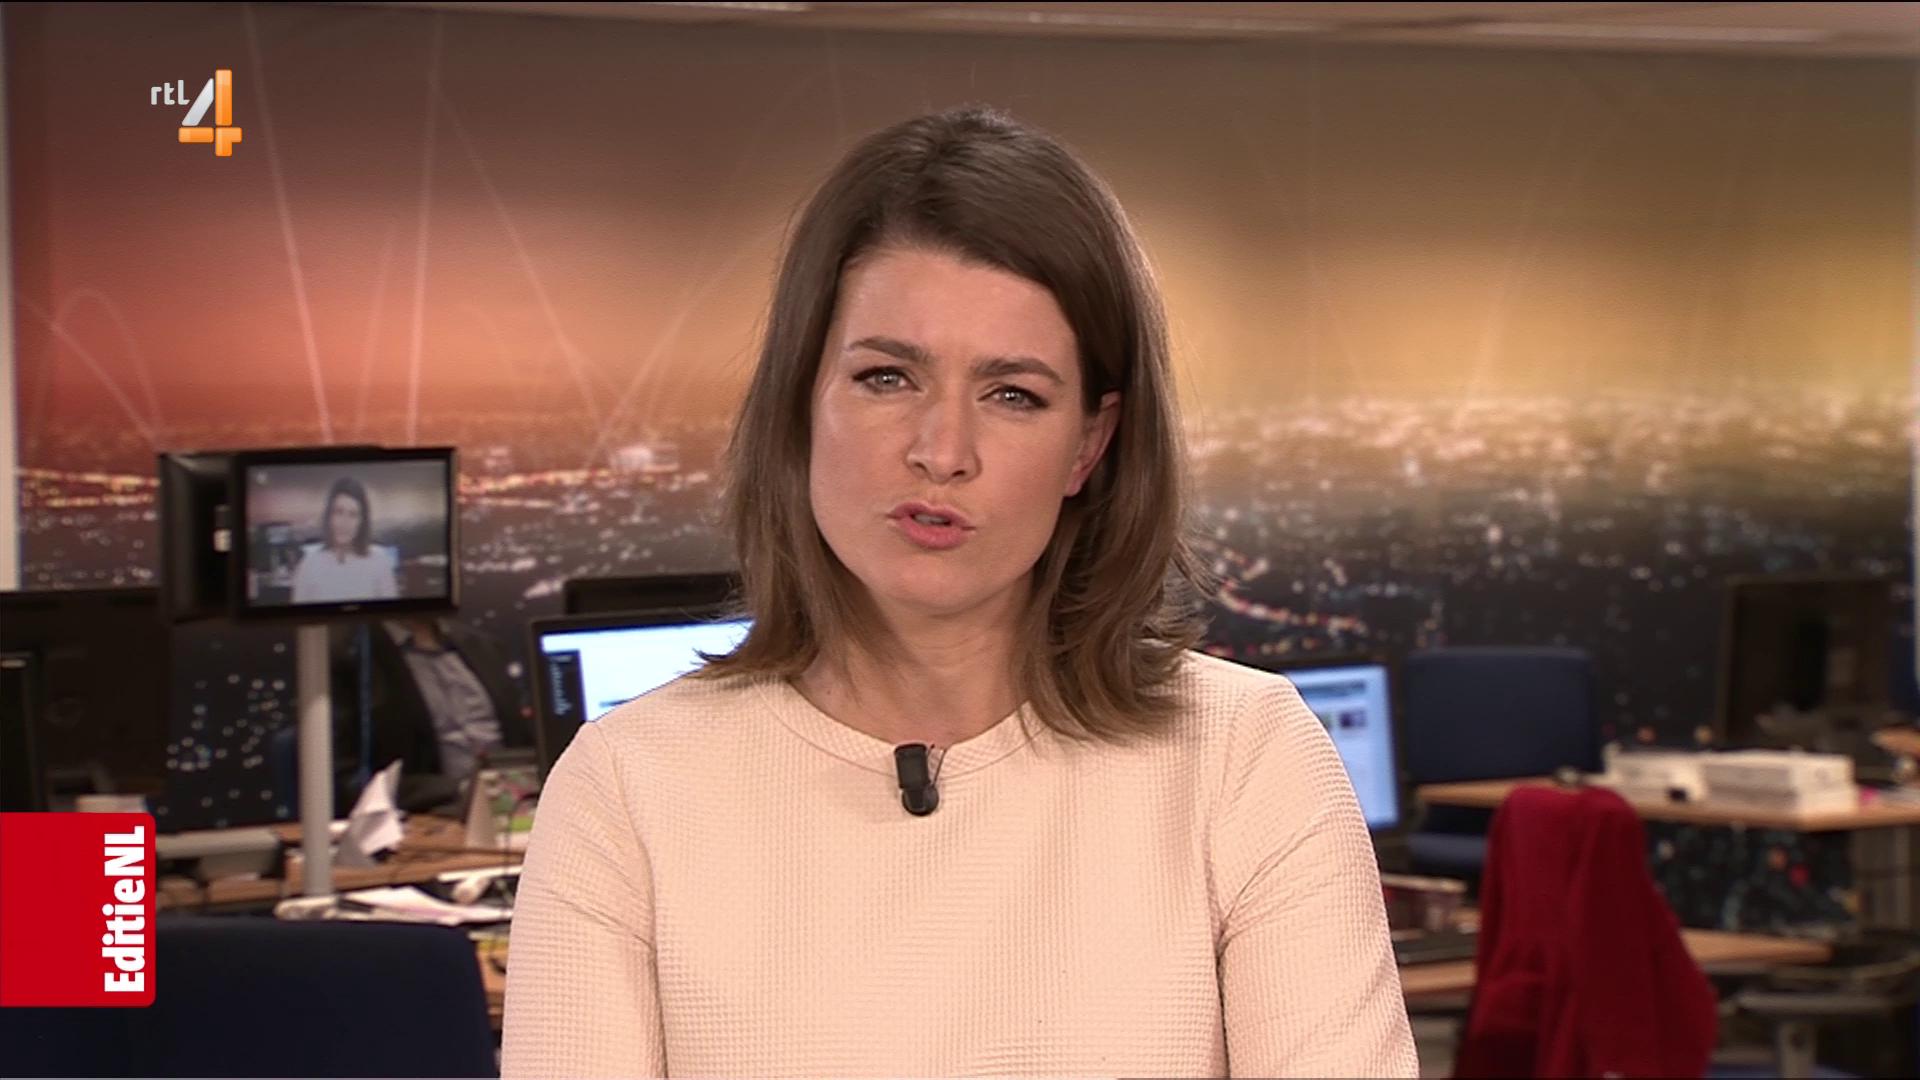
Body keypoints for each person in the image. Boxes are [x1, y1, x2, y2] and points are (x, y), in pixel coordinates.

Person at [503, 105, 1417, 1078]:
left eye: (1013, 394)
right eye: (887, 377)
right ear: (802, 400)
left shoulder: (1244, 758)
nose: (942, 451)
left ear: (1090, 445)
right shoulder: (627, 787)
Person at [328, 616, 533, 815]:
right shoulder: (349, 655)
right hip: (429, 813)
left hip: (516, 806)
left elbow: (525, 740)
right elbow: (345, 781)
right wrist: (460, 790)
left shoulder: (484, 646)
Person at [290, 477, 400, 604]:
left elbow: (391, 612)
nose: (344, 522)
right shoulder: (308, 565)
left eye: (353, 515)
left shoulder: (380, 561)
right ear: (329, 516)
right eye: (339, 512)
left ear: (362, 522)